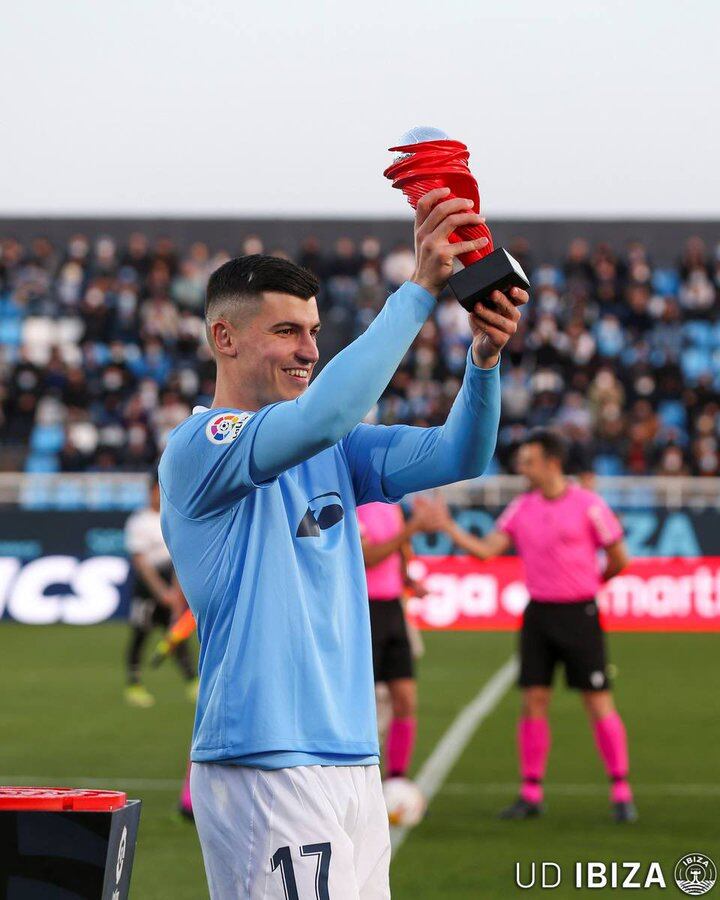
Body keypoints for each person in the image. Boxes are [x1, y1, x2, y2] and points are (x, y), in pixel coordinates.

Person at [159, 187, 528, 898]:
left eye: (314, 331)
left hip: (354, 759)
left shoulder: (332, 445)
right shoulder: (201, 445)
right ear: (225, 339)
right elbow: (327, 414)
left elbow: (461, 455)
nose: (308, 350)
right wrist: (419, 291)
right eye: (288, 332)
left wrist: (483, 362)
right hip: (264, 760)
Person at [433, 429, 636, 823]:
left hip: (580, 615)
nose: (521, 468)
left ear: (552, 463)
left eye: (529, 461)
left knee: (598, 702)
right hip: (539, 616)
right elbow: (488, 552)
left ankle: (621, 789)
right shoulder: (521, 508)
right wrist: (449, 528)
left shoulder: (589, 505)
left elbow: (619, 557)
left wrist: (593, 584)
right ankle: (530, 792)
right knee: (533, 702)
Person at [358, 498, 444, 781]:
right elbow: (368, 557)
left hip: (394, 608)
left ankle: (396, 779)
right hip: (364, 610)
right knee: (365, 702)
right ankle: (362, 777)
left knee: (405, 699)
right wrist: (411, 529)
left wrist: (408, 579)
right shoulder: (354, 505)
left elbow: (400, 550)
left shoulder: (391, 505)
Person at [123, 474, 197, 708]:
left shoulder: (173, 518)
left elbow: (178, 559)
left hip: (171, 583)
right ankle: (134, 684)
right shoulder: (139, 521)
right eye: (156, 490)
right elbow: (141, 563)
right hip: (148, 589)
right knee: (140, 635)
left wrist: (176, 594)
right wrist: (161, 592)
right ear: (150, 492)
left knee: (177, 636)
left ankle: (193, 681)